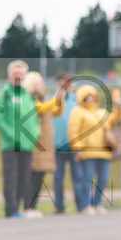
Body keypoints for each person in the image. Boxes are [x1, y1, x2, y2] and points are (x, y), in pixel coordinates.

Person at [0, 60, 40, 218]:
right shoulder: (5, 93)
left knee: (24, 178)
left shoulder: (27, 95)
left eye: (20, 73)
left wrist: (34, 135)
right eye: (15, 74)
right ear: (9, 76)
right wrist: (13, 135)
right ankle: (11, 209)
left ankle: (17, 208)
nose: (18, 76)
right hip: (10, 145)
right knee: (11, 178)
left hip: (27, 145)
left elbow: (34, 119)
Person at [68, 85, 121, 214]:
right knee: (87, 180)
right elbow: (73, 131)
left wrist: (119, 106)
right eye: (88, 97)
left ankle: (97, 203)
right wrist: (78, 148)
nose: (91, 99)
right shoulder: (78, 111)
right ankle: (85, 205)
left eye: (93, 96)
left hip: (104, 151)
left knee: (103, 179)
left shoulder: (102, 112)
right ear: (82, 98)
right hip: (88, 152)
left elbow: (116, 119)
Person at [22, 71, 63, 216]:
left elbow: (56, 112)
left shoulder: (43, 98)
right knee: (32, 176)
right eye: (40, 83)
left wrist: (60, 100)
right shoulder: (30, 99)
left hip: (45, 144)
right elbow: (41, 108)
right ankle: (27, 207)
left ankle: (33, 207)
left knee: (40, 177)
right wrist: (55, 98)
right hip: (36, 143)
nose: (43, 86)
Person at [52, 73, 78, 214]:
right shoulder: (52, 99)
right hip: (57, 147)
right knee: (58, 179)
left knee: (77, 177)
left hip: (74, 146)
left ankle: (81, 205)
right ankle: (59, 207)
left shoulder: (76, 100)